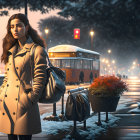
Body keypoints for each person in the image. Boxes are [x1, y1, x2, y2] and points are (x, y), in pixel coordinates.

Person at [0, 13, 47, 140]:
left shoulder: (37, 50)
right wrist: (1, 95)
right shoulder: (10, 51)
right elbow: (7, 77)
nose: (15, 29)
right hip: (7, 102)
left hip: (24, 104)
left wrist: (30, 99)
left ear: (26, 27)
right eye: (12, 26)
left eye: (19, 26)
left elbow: (40, 78)